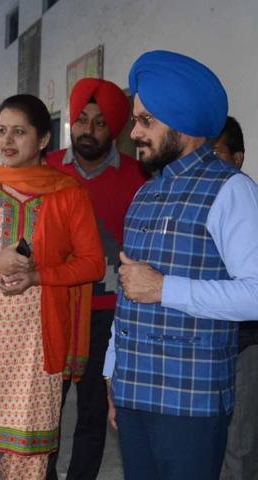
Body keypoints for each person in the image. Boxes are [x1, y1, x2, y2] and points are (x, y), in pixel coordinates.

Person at [103, 50, 258, 480]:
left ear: (184, 123)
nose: (134, 132)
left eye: (146, 121)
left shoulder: (231, 191)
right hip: (135, 396)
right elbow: (127, 294)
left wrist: (164, 289)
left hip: (190, 404)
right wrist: (113, 375)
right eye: (136, 120)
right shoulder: (145, 193)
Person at [0, 94, 105, 480]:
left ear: (44, 139)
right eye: (2, 131)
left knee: (27, 460)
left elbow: (92, 264)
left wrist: (37, 276)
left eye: (20, 132)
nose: (7, 141)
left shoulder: (68, 193)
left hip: (33, 346)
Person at [45, 78, 148, 480]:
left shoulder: (138, 179)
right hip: (52, 306)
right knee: (45, 410)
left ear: (117, 128)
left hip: (108, 314)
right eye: (82, 120)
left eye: (101, 122)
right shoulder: (46, 169)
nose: (89, 130)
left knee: (92, 411)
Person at [212, 117, 258, 480]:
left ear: (238, 158)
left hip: (244, 344)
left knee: (237, 447)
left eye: (216, 154)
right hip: (207, 346)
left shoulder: (242, 198)